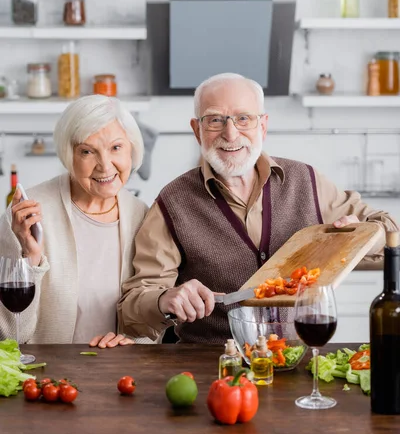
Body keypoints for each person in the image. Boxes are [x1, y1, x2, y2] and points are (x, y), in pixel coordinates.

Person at [118, 72, 398, 345]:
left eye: (243, 119)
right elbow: (133, 306)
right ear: (197, 129)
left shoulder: (307, 181)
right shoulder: (173, 202)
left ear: (262, 126)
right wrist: (164, 301)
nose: (230, 133)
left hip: (301, 361)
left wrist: (365, 235)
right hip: (212, 366)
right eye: (215, 120)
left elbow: (387, 228)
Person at [0, 95, 149, 346]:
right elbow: (10, 336)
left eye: (116, 147)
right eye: (87, 151)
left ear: (132, 150)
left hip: (121, 375)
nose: (105, 165)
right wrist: (30, 257)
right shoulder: (27, 215)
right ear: (69, 156)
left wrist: (134, 344)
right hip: (48, 378)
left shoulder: (143, 216)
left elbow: (150, 319)